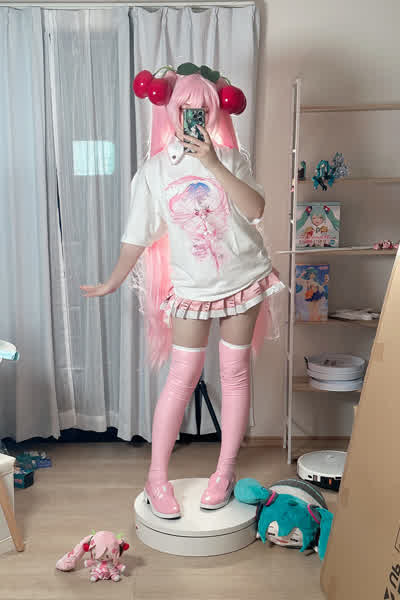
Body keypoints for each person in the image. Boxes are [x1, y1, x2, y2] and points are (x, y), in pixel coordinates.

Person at [80, 64, 285, 520]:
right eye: (186, 109)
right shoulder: (154, 171)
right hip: (192, 288)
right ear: (171, 111)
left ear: (213, 113)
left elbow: (256, 209)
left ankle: (224, 472)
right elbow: (137, 235)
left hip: (243, 281)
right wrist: (114, 279)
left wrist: (213, 163)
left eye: (202, 110)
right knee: (181, 377)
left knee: (235, 374)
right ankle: (156, 477)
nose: (194, 117)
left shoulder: (231, 158)